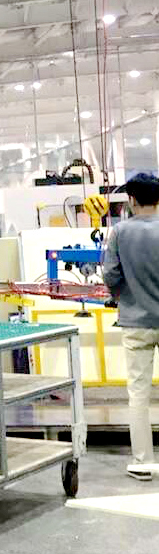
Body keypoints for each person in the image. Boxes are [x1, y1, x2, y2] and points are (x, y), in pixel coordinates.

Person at [102, 173, 159, 481]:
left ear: (132, 199)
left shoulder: (120, 232)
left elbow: (110, 274)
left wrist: (123, 294)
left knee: (138, 394)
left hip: (136, 322)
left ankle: (143, 463)